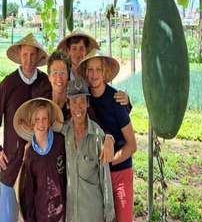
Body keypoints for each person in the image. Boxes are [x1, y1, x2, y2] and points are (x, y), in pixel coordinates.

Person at [0, 33, 48, 222]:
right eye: (25, 55)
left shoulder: (45, 82)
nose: (29, 60)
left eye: (32, 55)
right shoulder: (8, 84)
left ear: (37, 56)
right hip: (12, 161)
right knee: (7, 217)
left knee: (37, 215)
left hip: (40, 162)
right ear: (19, 56)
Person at [76, 49, 137, 222]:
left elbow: (132, 145)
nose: (94, 74)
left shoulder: (116, 100)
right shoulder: (86, 100)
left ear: (105, 72)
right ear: (86, 73)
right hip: (98, 176)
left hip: (120, 172)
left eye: (98, 69)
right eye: (90, 70)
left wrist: (109, 161)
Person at [33, 50, 114, 166]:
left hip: (71, 165)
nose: (59, 79)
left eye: (63, 73)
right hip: (46, 164)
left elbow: (96, 124)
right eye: (55, 73)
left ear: (68, 75)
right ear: (49, 77)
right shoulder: (43, 103)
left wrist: (109, 137)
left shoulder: (76, 102)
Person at [61, 79, 114, 222]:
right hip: (71, 216)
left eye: (82, 102)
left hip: (92, 215)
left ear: (88, 104)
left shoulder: (98, 136)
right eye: (74, 102)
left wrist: (109, 216)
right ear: (68, 105)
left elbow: (105, 179)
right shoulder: (64, 133)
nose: (78, 108)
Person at [13, 98, 66, 222]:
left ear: (49, 121)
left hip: (62, 213)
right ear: (31, 123)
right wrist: (30, 218)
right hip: (41, 214)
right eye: (36, 119)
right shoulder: (30, 154)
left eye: (44, 119)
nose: (41, 124)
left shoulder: (60, 142)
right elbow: (29, 190)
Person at [56, 30, 131, 109]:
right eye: (74, 49)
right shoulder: (63, 77)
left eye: (81, 49)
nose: (78, 53)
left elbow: (105, 92)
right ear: (68, 51)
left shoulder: (92, 75)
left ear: (86, 51)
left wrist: (126, 100)